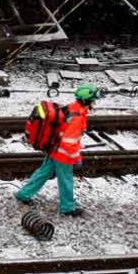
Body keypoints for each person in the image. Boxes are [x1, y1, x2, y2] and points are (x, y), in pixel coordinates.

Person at [14, 83, 99, 216]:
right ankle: (67, 208)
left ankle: (23, 194)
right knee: (66, 180)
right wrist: (76, 158)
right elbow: (69, 142)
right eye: (93, 100)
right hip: (63, 154)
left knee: (43, 173)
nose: (95, 103)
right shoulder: (77, 117)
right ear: (86, 101)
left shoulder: (71, 108)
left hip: (54, 148)